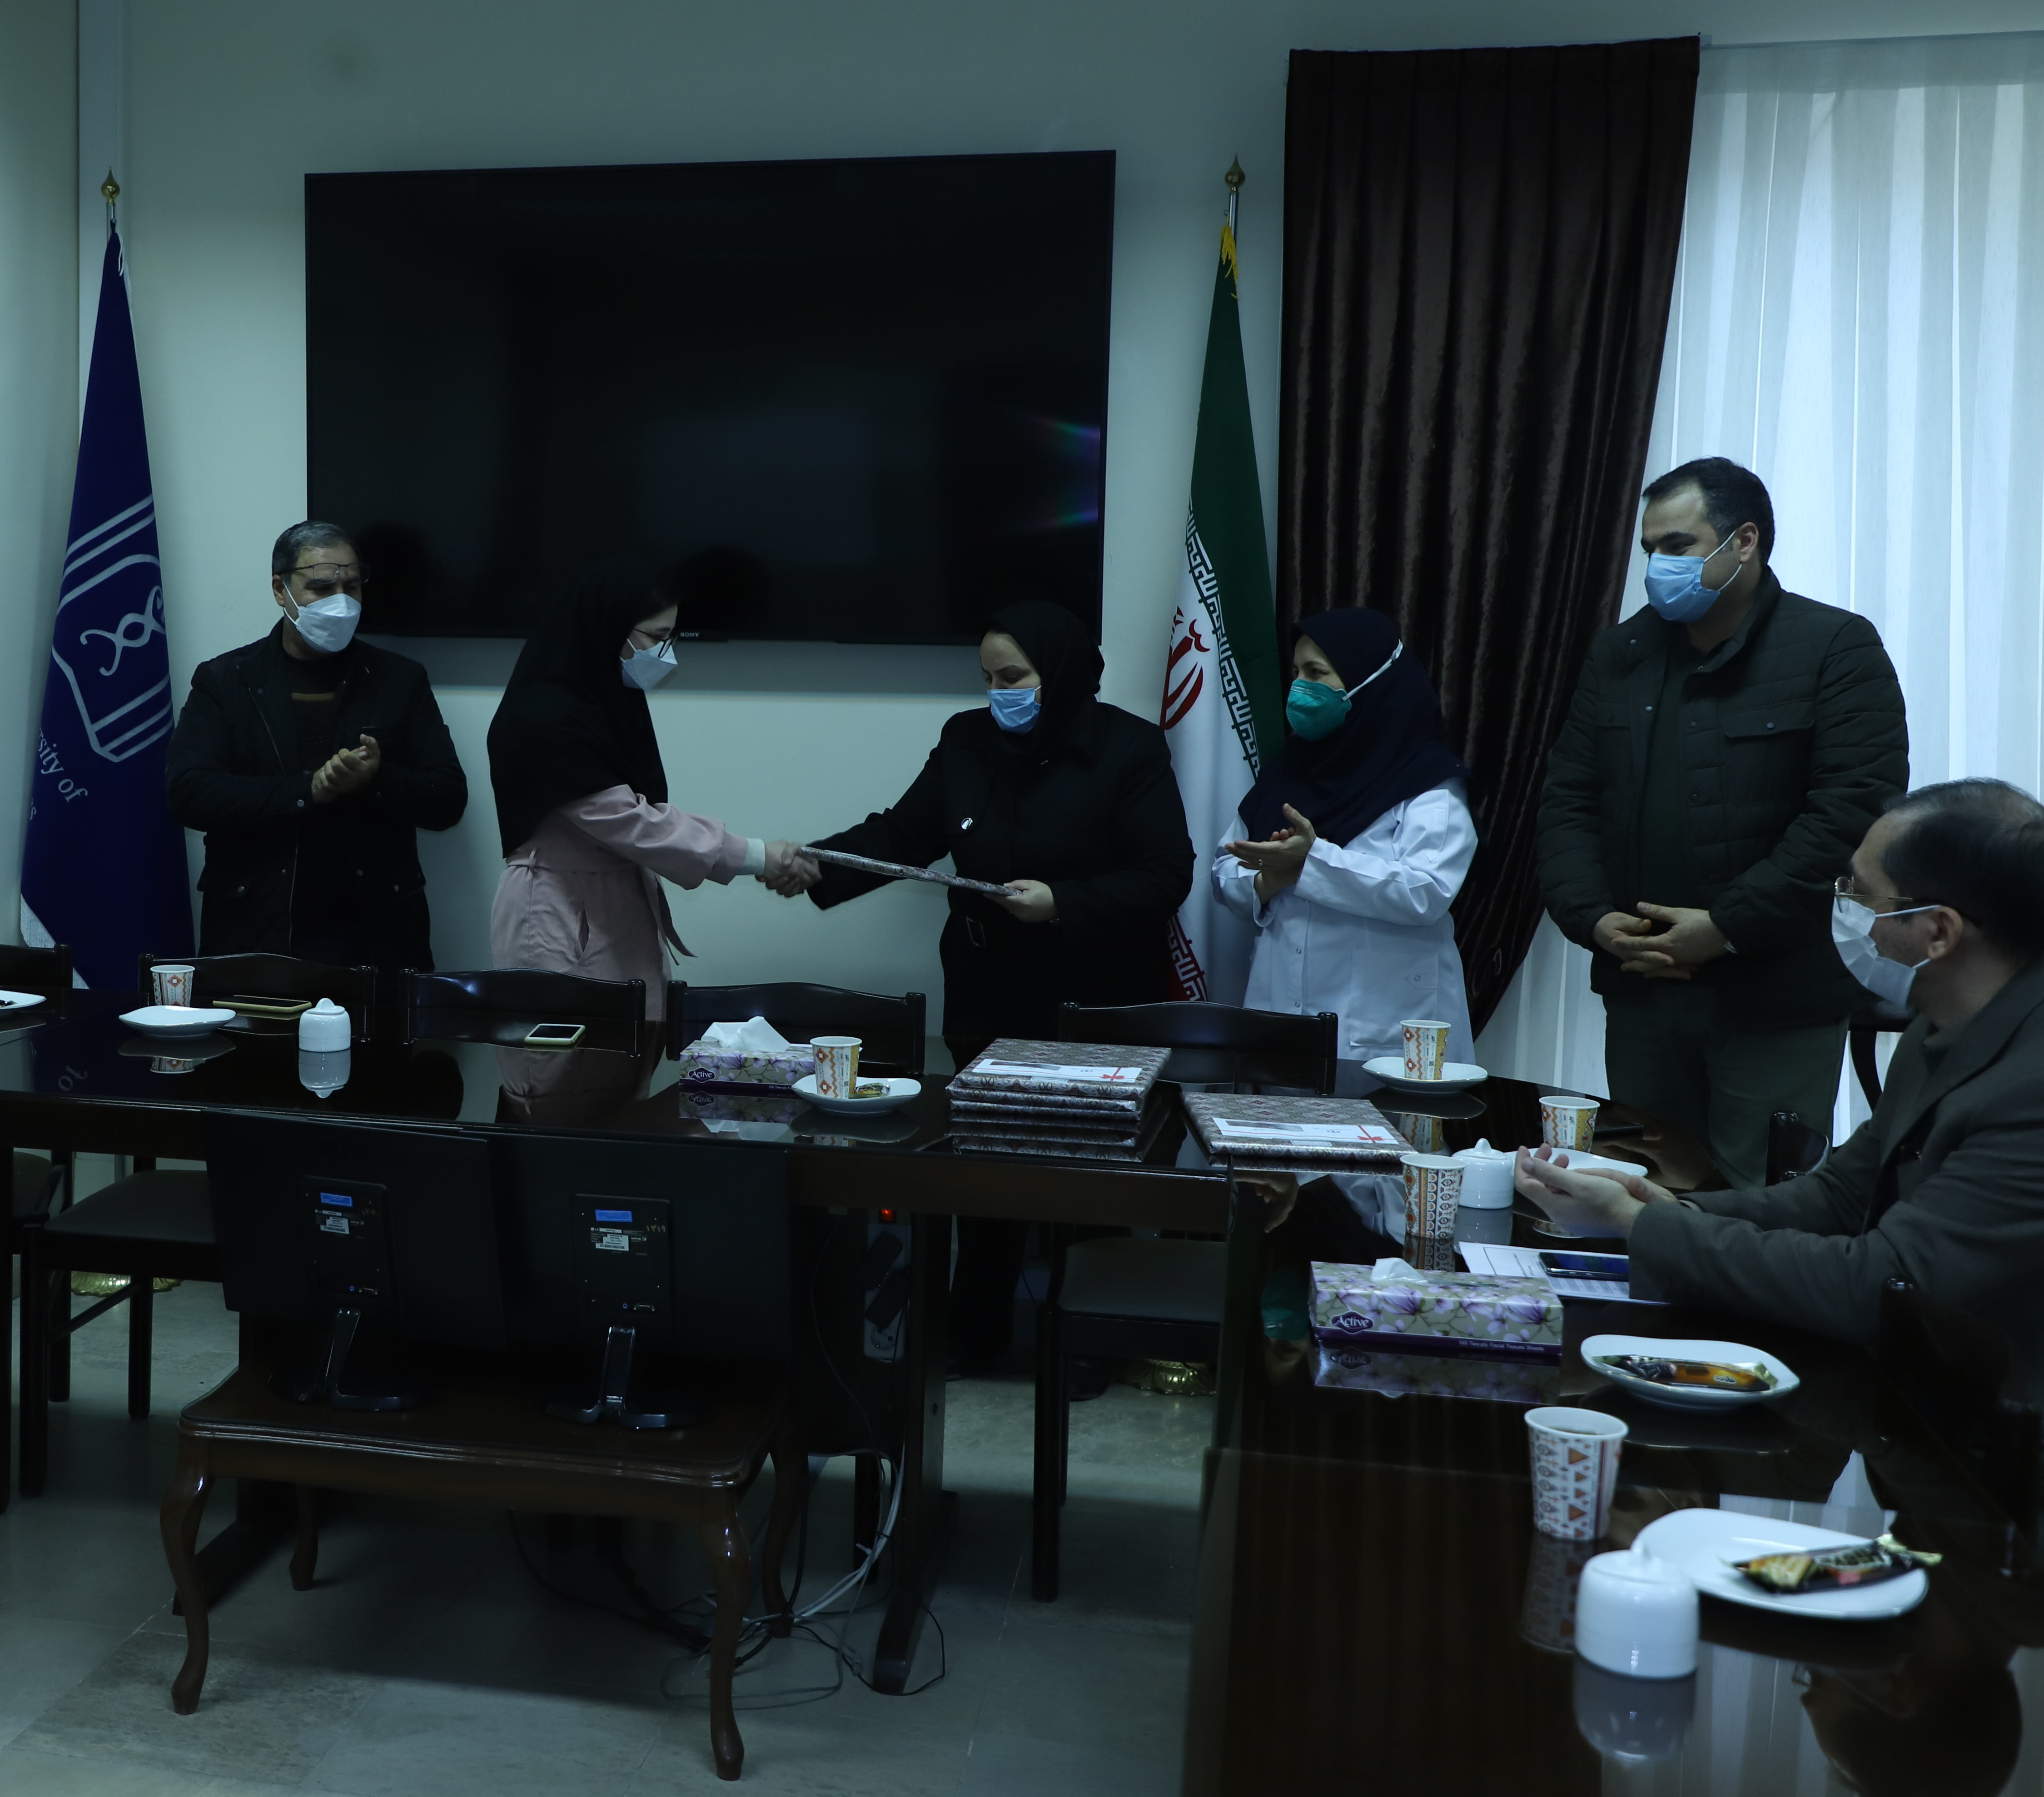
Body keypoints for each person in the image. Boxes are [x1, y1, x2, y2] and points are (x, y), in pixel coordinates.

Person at [1516, 779, 2044, 1399]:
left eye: (1859, 892)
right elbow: (1843, 1196)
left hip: (1988, 1428)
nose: (1841, 906)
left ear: (1939, 932)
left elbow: (1879, 1284)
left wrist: (1637, 1225)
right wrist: (1665, 1210)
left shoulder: (2029, 1090)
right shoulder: (1946, 1018)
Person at [793, 600, 1193, 1367]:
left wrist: (1062, 902)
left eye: (1013, 677)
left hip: (1090, 994)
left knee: (1088, 1177)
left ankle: (1083, 1349)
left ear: (1061, 673)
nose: (997, 693)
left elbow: (1164, 875)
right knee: (981, 1166)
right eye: (988, 678)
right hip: (986, 986)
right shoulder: (966, 740)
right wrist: (817, 865)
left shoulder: (1129, 748)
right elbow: (903, 835)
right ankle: (974, 1339)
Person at [1537, 457, 1908, 1187]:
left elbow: (1851, 815)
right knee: (1641, 1198)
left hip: (1776, 995)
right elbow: (1568, 802)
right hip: (1643, 986)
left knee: (1759, 1204)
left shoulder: (1835, 646)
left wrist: (1726, 927)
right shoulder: (1621, 654)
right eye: (1649, 549)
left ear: (1744, 542)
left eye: (1678, 545)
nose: (1658, 566)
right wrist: (1594, 920)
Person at [486, 556, 808, 1015]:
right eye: (656, 638)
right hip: (559, 914)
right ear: (608, 627)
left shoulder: (606, 704)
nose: (666, 654)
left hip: (614, 905)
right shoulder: (543, 716)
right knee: (565, 1056)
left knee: (634, 1049)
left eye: (670, 638)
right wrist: (756, 855)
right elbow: (628, 819)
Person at [166, 521, 466, 971]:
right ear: (280, 589)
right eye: (322, 587)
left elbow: (448, 800)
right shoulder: (226, 680)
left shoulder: (401, 679)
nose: (341, 602)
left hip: (377, 940)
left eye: (352, 586)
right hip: (254, 936)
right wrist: (309, 789)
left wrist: (376, 779)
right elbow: (189, 793)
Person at [1216, 608, 1476, 1064]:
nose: (1300, 686)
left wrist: (1310, 862)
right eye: (1296, 673)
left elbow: (1427, 890)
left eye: (1317, 673)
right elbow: (1225, 870)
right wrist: (1266, 881)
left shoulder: (1429, 781)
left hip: (1387, 1038)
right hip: (1276, 1028)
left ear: (1369, 678)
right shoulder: (1288, 770)